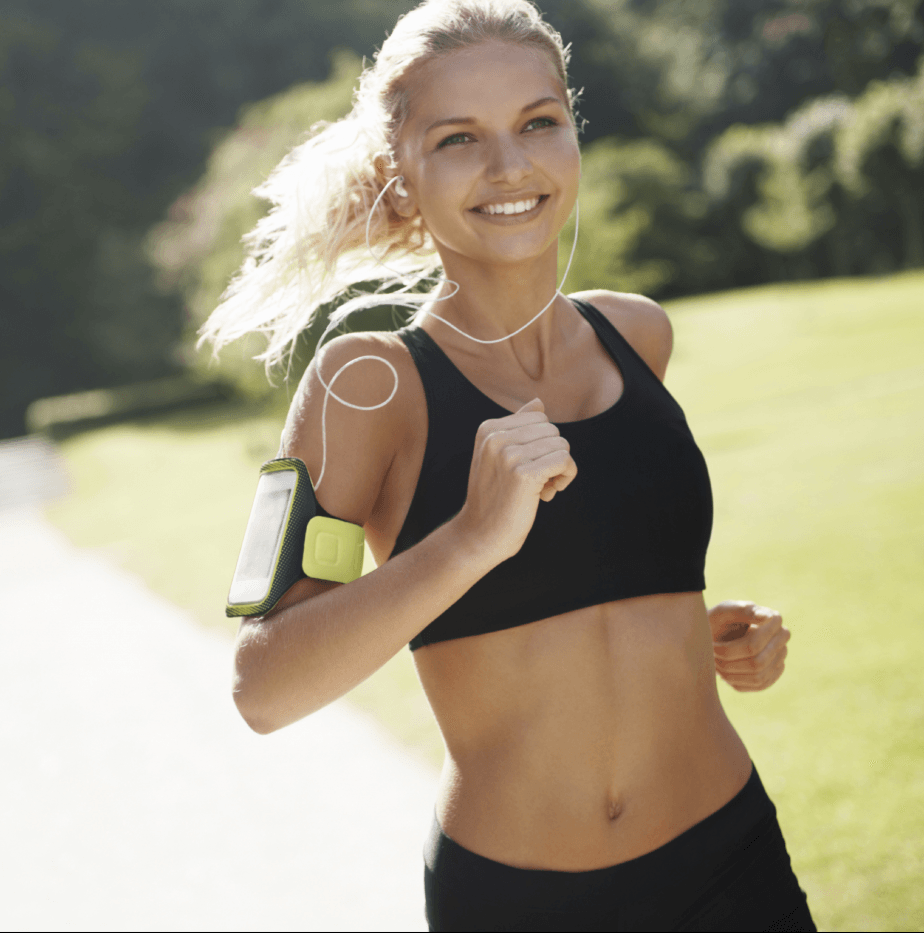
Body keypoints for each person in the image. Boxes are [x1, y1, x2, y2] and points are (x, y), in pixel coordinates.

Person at [203, 1, 816, 929]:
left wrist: (699, 641)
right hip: (522, 902)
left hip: (731, 861)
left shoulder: (638, 334)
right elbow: (265, 686)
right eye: (459, 139)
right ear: (401, 180)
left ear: (573, 138)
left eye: (539, 123)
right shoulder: (365, 386)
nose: (511, 166)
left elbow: (598, 583)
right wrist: (468, 541)